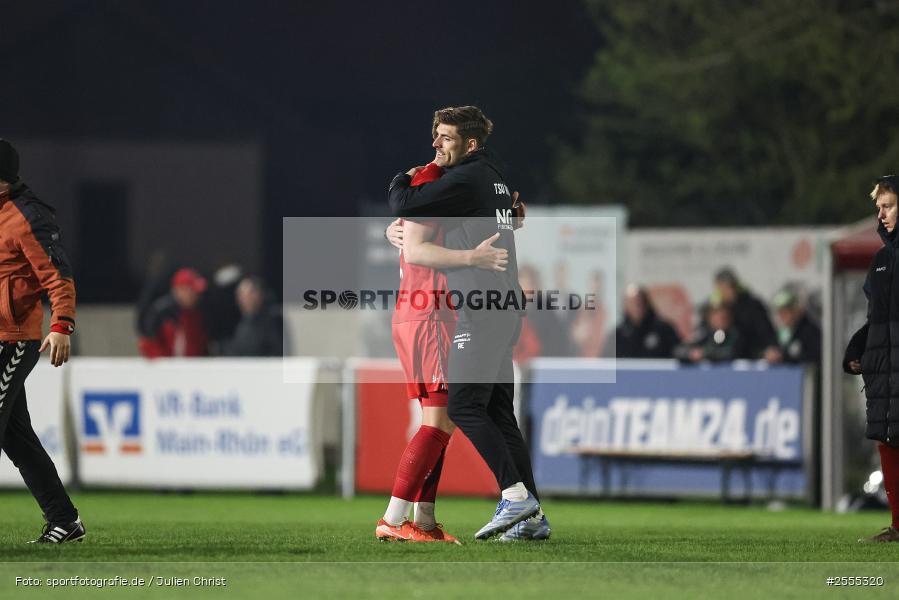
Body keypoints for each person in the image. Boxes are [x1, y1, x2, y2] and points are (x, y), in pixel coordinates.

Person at [389, 106, 548, 541]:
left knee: (461, 408)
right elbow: (505, 215)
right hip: (504, 306)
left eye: (445, 137)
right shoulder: (495, 175)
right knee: (499, 413)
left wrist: (402, 178)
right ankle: (532, 518)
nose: (436, 144)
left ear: (470, 144)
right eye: (436, 135)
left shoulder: (465, 178)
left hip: (479, 308)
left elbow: (405, 204)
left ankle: (515, 497)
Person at [377, 157, 507, 544]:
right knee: (439, 420)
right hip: (430, 314)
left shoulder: (426, 191)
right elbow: (418, 249)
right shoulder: (434, 185)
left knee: (443, 419)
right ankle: (393, 518)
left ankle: (425, 521)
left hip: (420, 313)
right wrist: (474, 257)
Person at [0, 139, 85, 543]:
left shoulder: (27, 216)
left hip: (13, 340)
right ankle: (65, 521)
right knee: (17, 438)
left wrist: (61, 324)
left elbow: (58, 275)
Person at [844, 174, 899, 543]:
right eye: (879, 207)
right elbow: (876, 319)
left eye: (888, 206)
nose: (881, 214)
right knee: (889, 440)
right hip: (885, 369)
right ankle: (898, 526)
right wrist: (858, 347)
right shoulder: (880, 261)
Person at [138, 268, 209, 358]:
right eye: (191, 291)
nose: (195, 296)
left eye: (196, 292)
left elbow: (201, 346)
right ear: (179, 290)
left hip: (192, 365)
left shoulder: (198, 312)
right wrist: (164, 363)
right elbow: (148, 343)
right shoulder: (161, 311)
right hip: (165, 364)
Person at [713, 267, 780, 361]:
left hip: (753, 357)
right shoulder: (717, 308)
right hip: (727, 358)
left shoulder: (752, 306)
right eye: (723, 288)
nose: (727, 291)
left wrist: (771, 347)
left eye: (729, 287)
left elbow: (765, 330)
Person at [606, 284, 680, 359]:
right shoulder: (617, 335)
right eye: (632, 303)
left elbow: (678, 352)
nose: (636, 306)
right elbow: (606, 360)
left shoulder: (664, 330)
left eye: (639, 302)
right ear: (626, 306)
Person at [675, 294, 749, 363]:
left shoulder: (736, 334)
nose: (720, 319)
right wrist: (690, 354)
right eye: (716, 315)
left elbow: (731, 353)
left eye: (724, 316)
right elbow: (679, 350)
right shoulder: (703, 333)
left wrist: (704, 353)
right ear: (709, 318)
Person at [220, 276, 284, 357]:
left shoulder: (272, 321)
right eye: (239, 295)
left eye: (246, 295)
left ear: (258, 295)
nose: (241, 300)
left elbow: (277, 352)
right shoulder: (241, 321)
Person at [772, 287, 821, 365]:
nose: (782, 317)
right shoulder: (786, 331)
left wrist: (783, 357)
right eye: (780, 313)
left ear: (795, 310)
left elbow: (813, 357)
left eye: (785, 312)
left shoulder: (809, 331)